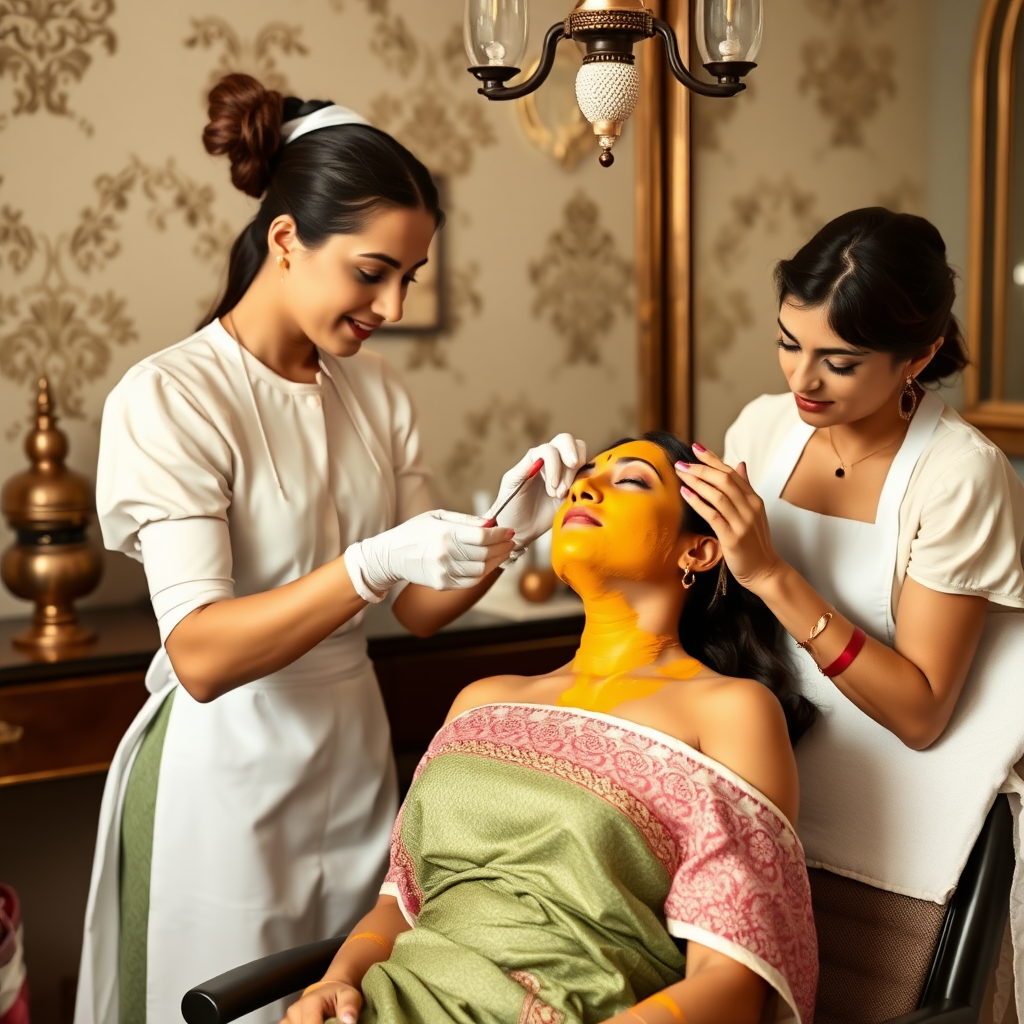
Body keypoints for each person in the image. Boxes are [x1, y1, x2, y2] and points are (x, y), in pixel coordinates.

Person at [73, 73, 585, 1024]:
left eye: (409, 278)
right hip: (222, 775)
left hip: (353, 758)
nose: (390, 304)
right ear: (284, 239)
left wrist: (525, 516)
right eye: (370, 270)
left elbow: (423, 611)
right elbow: (202, 655)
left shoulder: (378, 394)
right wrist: (372, 564)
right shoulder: (172, 396)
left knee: (347, 1005)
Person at [282, 434, 819, 1024]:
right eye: (585, 476)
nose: (585, 487)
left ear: (699, 551)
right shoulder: (480, 703)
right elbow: (399, 905)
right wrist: (333, 983)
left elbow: (732, 985)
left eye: (632, 480)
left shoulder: (730, 712)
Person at [676, 208, 1024, 1014]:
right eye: (788, 343)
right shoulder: (764, 429)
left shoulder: (957, 476)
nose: (803, 381)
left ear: (921, 356)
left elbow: (922, 711)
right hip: (761, 780)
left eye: (839, 361)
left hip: (897, 806)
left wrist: (771, 575)